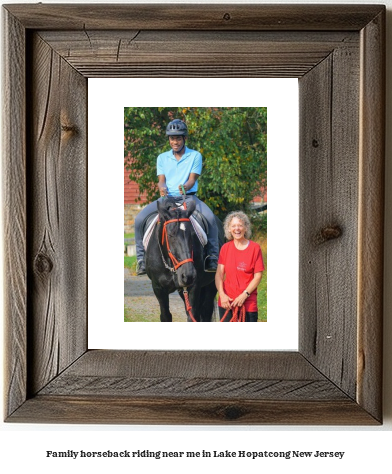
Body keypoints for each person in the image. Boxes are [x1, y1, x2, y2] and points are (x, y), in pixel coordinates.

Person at [135, 119, 220, 275]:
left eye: (178, 138)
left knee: (210, 218)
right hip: (166, 199)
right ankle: (141, 259)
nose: (175, 141)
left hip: (188, 198)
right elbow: (161, 181)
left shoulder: (195, 156)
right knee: (139, 219)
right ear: (169, 139)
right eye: (172, 138)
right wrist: (162, 189)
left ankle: (212, 256)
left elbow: (193, 179)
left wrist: (185, 187)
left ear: (184, 139)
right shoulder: (162, 158)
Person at [215, 211, 264, 322]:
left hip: (248, 303)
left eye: (240, 225)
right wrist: (222, 295)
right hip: (226, 302)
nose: (237, 229)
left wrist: (244, 295)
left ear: (245, 228)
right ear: (229, 229)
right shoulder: (225, 248)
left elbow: (258, 276)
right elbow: (219, 274)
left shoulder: (255, 248)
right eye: (233, 226)